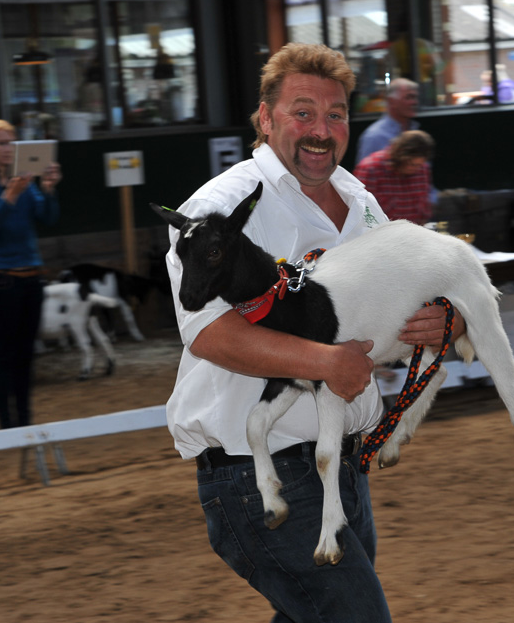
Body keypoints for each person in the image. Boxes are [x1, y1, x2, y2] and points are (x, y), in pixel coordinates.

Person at [164, 42, 464, 623]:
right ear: (266, 117)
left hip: (340, 466)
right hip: (261, 472)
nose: (320, 130)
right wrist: (324, 361)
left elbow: (400, 302)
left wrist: (439, 321)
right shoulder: (217, 211)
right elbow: (208, 334)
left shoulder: (361, 203)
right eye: (302, 112)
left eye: (335, 115)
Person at [0, 119, 62, 429]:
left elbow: (48, 218)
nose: (8, 149)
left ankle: (26, 422)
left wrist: (48, 189)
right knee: (5, 355)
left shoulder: (24, 178)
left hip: (31, 276)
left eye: (11, 142)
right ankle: (7, 426)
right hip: (0, 278)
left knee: (26, 355)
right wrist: (9, 196)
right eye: (2, 143)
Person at [353, 129, 435, 224]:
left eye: (419, 165)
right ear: (398, 156)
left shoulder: (423, 169)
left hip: (415, 232)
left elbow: (424, 210)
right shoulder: (370, 169)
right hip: (381, 234)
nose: (416, 169)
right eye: (412, 164)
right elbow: (360, 211)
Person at [355, 78, 420, 164]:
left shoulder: (414, 130)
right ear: (391, 101)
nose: (414, 102)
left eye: (415, 97)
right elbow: (363, 173)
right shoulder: (374, 136)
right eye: (408, 97)